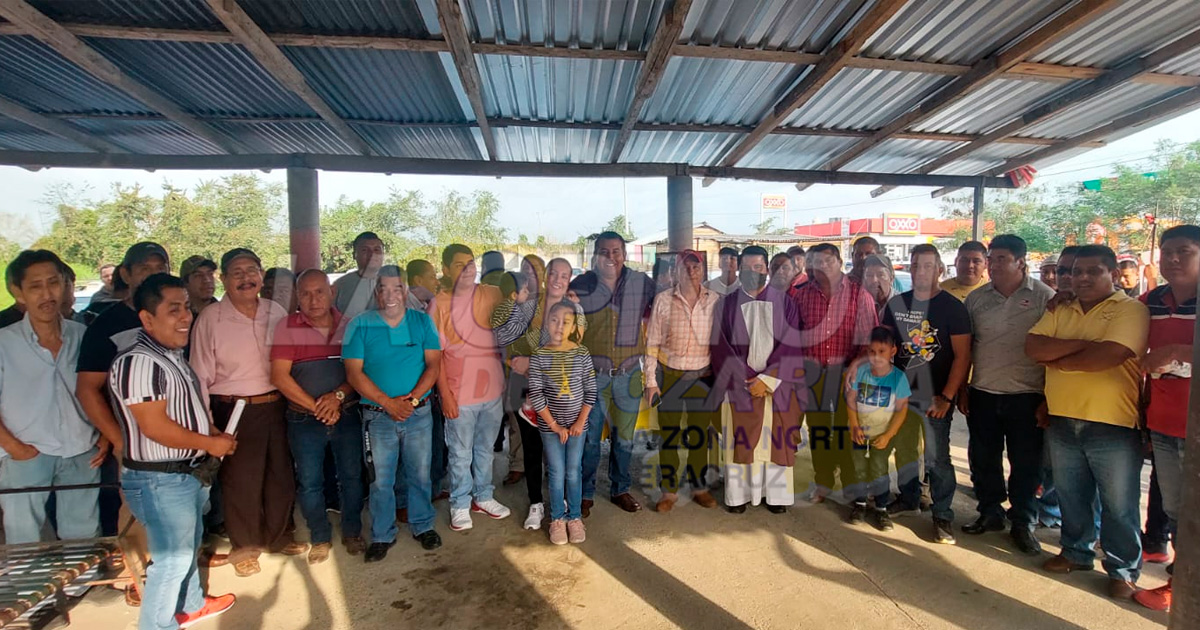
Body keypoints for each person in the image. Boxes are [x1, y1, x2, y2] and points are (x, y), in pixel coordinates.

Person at [108, 273, 237, 630]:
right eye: (173, 310)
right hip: (159, 479)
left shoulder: (171, 355)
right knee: (171, 561)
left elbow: (185, 410)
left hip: (184, 476)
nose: (185, 317)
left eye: (187, 308)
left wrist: (210, 432)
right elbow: (154, 426)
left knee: (186, 548)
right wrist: (211, 444)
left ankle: (191, 605)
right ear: (147, 319)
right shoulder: (138, 362)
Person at [1026, 244, 1149, 600]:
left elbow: (1110, 355)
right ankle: (1076, 552)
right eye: (1076, 271)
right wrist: (1085, 344)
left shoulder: (1131, 310)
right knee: (1071, 494)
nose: (1081, 277)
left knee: (1118, 503)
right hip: (1063, 416)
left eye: (1092, 271)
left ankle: (1123, 569)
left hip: (1112, 422)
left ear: (1112, 274)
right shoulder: (1062, 306)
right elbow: (1034, 347)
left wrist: (1061, 355)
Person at [191, 248, 305, 577]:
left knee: (280, 476)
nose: (245, 278)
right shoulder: (211, 319)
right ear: (223, 280)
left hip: (276, 403)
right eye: (237, 273)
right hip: (233, 408)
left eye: (251, 271)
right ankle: (245, 547)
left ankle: (279, 536)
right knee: (241, 482)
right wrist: (209, 424)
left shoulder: (276, 311)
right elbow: (199, 376)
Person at [961, 235, 1054, 555]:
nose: (994, 264)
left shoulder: (1045, 298)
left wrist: (1048, 400)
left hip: (1027, 395)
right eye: (992, 258)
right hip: (983, 392)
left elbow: (1052, 352)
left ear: (1021, 262)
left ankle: (1023, 522)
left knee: (1027, 464)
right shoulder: (976, 299)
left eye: (1002, 259)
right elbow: (967, 348)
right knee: (983, 459)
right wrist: (962, 388)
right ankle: (990, 512)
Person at [0, 250, 101, 545]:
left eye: (53, 283)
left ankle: (78, 588)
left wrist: (104, 437)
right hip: (27, 449)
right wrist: (13, 447)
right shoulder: (4, 343)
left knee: (83, 529)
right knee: (24, 533)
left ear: (66, 285)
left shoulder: (83, 336)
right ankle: (31, 590)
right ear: (17, 292)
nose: (47, 294)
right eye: (35, 286)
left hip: (82, 447)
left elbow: (102, 391)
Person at [345, 265, 444, 560]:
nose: (390, 295)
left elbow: (434, 365)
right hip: (377, 417)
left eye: (396, 288)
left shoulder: (422, 322)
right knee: (380, 480)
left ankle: (422, 525)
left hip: (418, 414)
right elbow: (353, 373)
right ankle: (382, 534)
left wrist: (410, 401)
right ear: (376, 293)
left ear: (405, 291)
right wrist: (389, 404)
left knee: (420, 475)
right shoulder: (359, 325)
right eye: (383, 289)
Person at [270, 270, 365, 564]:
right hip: (303, 419)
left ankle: (352, 531)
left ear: (332, 293)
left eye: (319, 292)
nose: (313, 300)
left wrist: (336, 398)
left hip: (346, 414)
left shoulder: (349, 326)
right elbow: (279, 377)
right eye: (306, 294)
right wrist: (318, 407)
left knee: (351, 477)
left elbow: (359, 374)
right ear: (298, 296)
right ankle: (320, 537)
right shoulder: (287, 327)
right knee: (310, 482)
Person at [77, 242, 170, 541]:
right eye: (145, 269)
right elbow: (88, 389)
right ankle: (139, 583)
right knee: (139, 513)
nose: (154, 277)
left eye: (161, 269)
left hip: (179, 433)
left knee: (181, 508)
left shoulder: (179, 317)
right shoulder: (107, 324)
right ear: (126, 274)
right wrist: (118, 439)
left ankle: (185, 580)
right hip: (134, 438)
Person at [882, 244, 971, 544]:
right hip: (902, 394)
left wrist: (947, 397)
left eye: (928, 266)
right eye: (916, 265)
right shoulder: (897, 304)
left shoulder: (952, 308)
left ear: (940, 270)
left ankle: (942, 515)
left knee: (937, 459)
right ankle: (908, 499)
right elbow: (885, 349)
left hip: (935, 397)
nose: (921, 271)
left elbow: (962, 356)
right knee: (904, 450)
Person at [493, 257, 588, 530]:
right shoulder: (529, 306)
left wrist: (531, 361)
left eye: (564, 275)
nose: (558, 279)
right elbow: (507, 342)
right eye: (553, 273)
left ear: (570, 279)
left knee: (561, 451)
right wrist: (515, 361)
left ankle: (564, 506)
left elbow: (574, 351)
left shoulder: (576, 310)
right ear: (545, 276)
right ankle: (536, 503)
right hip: (525, 388)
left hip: (562, 392)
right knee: (532, 448)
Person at [1133, 225, 1199, 611]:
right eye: (1167, 252)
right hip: (1163, 421)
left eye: (1184, 251)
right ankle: (1181, 581)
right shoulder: (1153, 300)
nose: (1173, 259)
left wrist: (1177, 349)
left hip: (1197, 427)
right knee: (1176, 509)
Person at [712, 246, 805, 513]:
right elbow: (720, 348)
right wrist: (747, 379)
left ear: (766, 269)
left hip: (777, 388)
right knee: (741, 442)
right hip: (740, 387)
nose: (754, 272)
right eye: (748, 267)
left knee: (774, 442)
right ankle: (739, 497)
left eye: (759, 267)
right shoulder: (727, 304)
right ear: (738, 269)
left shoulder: (785, 303)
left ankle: (775, 497)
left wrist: (768, 379)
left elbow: (792, 345)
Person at [570, 231, 656, 515]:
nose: (610, 256)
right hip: (592, 375)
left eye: (616, 251)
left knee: (624, 438)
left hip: (629, 375)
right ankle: (585, 492)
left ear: (624, 254)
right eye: (604, 251)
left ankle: (620, 488)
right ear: (596, 255)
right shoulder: (581, 284)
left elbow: (662, 311)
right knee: (590, 438)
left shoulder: (641, 283)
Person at [429, 244, 511, 531]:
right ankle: (460, 503)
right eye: (459, 265)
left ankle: (484, 496)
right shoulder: (438, 304)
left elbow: (517, 313)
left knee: (486, 449)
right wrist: (445, 395)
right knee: (460, 453)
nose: (467, 269)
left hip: (491, 390)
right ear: (446, 270)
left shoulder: (491, 293)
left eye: (470, 263)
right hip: (459, 393)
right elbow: (434, 356)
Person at [792, 243, 877, 502]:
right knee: (818, 431)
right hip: (813, 375)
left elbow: (870, 342)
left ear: (840, 262)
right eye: (817, 263)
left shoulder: (859, 295)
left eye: (828, 261)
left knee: (846, 431)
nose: (823, 267)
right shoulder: (802, 295)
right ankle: (824, 482)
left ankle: (852, 487)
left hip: (847, 375)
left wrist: (854, 367)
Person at [645, 250, 721, 512]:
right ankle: (669, 491)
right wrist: (650, 381)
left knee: (700, 436)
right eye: (685, 267)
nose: (691, 272)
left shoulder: (715, 301)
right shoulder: (663, 300)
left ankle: (699, 487)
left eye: (696, 267)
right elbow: (652, 342)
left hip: (702, 376)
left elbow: (722, 343)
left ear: (703, 271)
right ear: (676, 271)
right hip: (671, 375)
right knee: (669, 437)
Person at [528, 301, 597, 544]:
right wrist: (555, 426)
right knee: (556, 472)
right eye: (554, 320)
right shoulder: (539, 355)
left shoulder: (582, 353)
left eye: (565, 322)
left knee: (573, 472)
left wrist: (580, 422)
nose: (559, 326)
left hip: (578, 427)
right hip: (551, 428)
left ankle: (575, 517)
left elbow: (591, 391)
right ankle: (557, 518)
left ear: (573, 326)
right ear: (547, 323)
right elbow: (536, 394)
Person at [845, 326, 911, 531]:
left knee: (879, 469)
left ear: (893, 351)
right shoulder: (862, 372)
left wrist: (888, 435)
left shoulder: (898, 378)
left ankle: (881, 508)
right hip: (859, 433)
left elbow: (901, 410)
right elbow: (851, 400)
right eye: (872, 352)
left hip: (882, 435)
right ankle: (860, 504)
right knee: (859, 469)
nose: (876, 357)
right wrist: (854, 426)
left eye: (882, 352)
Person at [333, 231, 385, 321]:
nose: (372, 254)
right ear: (354, 255)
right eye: (365, 250)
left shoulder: (396, 282)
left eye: (376, 250)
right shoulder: (341, 285)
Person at [860, 254, 896, 320]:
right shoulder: (858, 304)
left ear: (891, 278)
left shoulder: (903, 305)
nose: (874, 280)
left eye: (880, 275)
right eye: (869, 275)